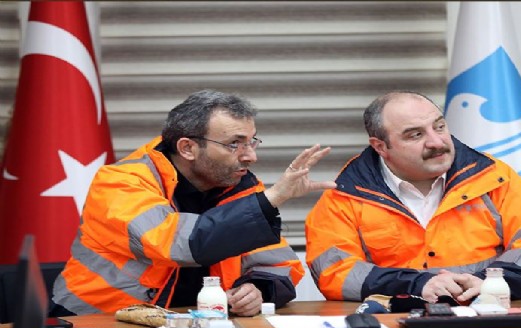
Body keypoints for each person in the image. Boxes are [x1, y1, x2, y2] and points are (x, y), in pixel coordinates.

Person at [51, 89, 336, 316]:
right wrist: (274, 197)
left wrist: (258, 288)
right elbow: (180, 243)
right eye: (234, 144)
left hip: (190, 325)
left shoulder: (236, 185)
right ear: (187, 148)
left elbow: (280, 263)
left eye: (252, 141)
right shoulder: (120, 182)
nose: (250, 156)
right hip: (95, 323)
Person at [305, 91, 521, 305]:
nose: (437, 142)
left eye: (439, 126)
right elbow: (335, 272)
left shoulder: (495, 177)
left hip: (488, 315)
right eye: (415, 134)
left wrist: (488, 283)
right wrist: (417, 284)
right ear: (381, 146)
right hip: (394, 326)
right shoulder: (346, 195)